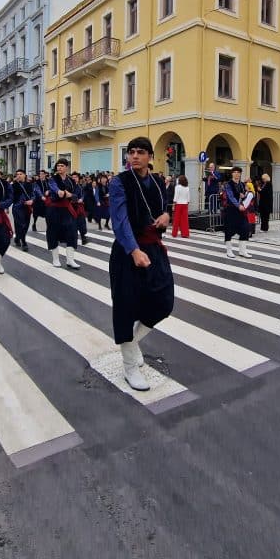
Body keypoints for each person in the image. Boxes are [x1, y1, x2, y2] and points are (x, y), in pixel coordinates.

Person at [108, 136, 174, 392]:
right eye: (131, 152)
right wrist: (133, 249)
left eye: (140, 152)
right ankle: (129, 367)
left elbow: (163, 206)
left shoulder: (158, 181)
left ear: (150, 157)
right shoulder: (119, 182)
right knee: (125, 307)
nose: (134, 156)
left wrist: (166, 215)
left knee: (163, 302)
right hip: (128, 251)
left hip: (154, 250)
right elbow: (119, 220)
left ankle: (131, 343)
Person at [46, 159, 81, 269]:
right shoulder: (52, 179)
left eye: (62, 166)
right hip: (54, 210)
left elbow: (76, 196)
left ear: (66, 167)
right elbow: (54, 188)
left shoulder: (71, 181)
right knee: (53, 233)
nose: (59, 168)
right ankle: (55, 259)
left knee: (72, 233)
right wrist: (59, 192)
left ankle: (70, 260)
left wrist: (69, 194)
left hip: (67, 210)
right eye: (58, 166)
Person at [222, 167, 253, 258]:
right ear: (232, 174)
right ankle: (229, 251)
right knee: (229, 230)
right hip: (230, 210)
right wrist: (238, 205)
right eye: (234, 172)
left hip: (241, 211)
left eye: (238, 172)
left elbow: (244, 196)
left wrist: (244, 196)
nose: (236, 174)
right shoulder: (228, 184)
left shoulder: (242, 185)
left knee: (245, 228)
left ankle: (242, 251)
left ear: (240, 174)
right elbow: (231, 197)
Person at [10, 169, 34, 252]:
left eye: (21, 174)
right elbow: (9, 196)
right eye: (17, 174)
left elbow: (33, 195)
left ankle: (17, 237)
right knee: (21, 224)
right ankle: (24, 242)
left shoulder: (30, 184)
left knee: (26, 225)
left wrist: (32, 201)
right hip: (17, 207)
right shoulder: (13, 185)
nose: (19, 175)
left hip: (27, 207)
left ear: (24, 175)